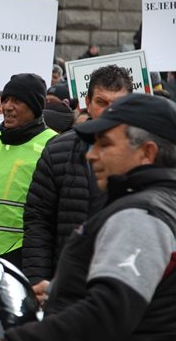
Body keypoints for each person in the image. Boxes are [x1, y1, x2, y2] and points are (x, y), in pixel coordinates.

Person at [0, 94, 176, 341]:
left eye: (104, 144)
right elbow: (145, 295)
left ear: (146, 152)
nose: (91, 155)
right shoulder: (156, 203)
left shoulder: (141, 214)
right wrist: (61, 290)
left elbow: (111, 310)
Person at [22, 65, 133, 301]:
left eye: (118, 103)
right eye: (102, 102)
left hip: (123, 286)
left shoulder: (144, 154)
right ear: (88, 102)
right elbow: (39, 220)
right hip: (64, 285)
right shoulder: (58, 149)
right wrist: (37, 280)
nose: (110, 111)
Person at [0, 73, 57, 269]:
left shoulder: (52, 145)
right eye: (5, 100)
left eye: (17, 101)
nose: (7, 106)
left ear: (35, 106)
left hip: (20, 256)